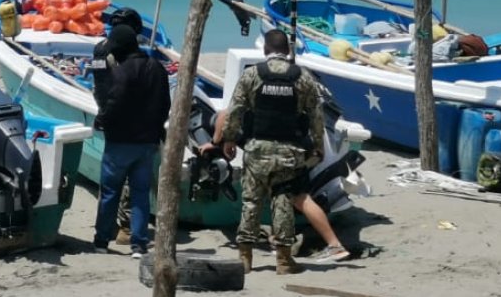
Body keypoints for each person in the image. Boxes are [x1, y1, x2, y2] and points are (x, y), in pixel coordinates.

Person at [220, 28, 325, 275]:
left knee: (251, 201)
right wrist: (318, 144)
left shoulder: (252, 75)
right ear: (287, 50)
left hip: (257, 148)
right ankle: (284, 260)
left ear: (266, 49)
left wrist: (229, 138)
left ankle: (245, 258)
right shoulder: (302, 77)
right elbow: (316, 115)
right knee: (283, 202)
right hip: (289, 150)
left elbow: (235, 110)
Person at [204, 109, 351, 264]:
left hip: (275, 153)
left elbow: (225, 115)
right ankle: (281, 240)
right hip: (296, 147)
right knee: (286, 195)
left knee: (299, 199)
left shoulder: (249, 99)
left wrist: (214, 143)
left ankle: (334, 246)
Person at [92, 24, 170, 258]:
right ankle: (139, 244)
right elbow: (165, 104)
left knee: (110, 192)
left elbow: (113, 103)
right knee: (140, 193)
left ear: (120, 48)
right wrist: (155, 129)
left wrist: (101, 120)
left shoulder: (121, 72)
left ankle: (102, 240)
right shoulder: (157, 69)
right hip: (147, 143)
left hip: (120, 142)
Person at [89, 7, 143, 245]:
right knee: (131, 178)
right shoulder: (124, 53)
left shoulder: (100, 49)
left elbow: (100, 86)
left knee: (110, 178)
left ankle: (107, 226)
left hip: (110, 117)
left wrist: (103, 114)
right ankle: (126, 226)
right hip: (129, 120)